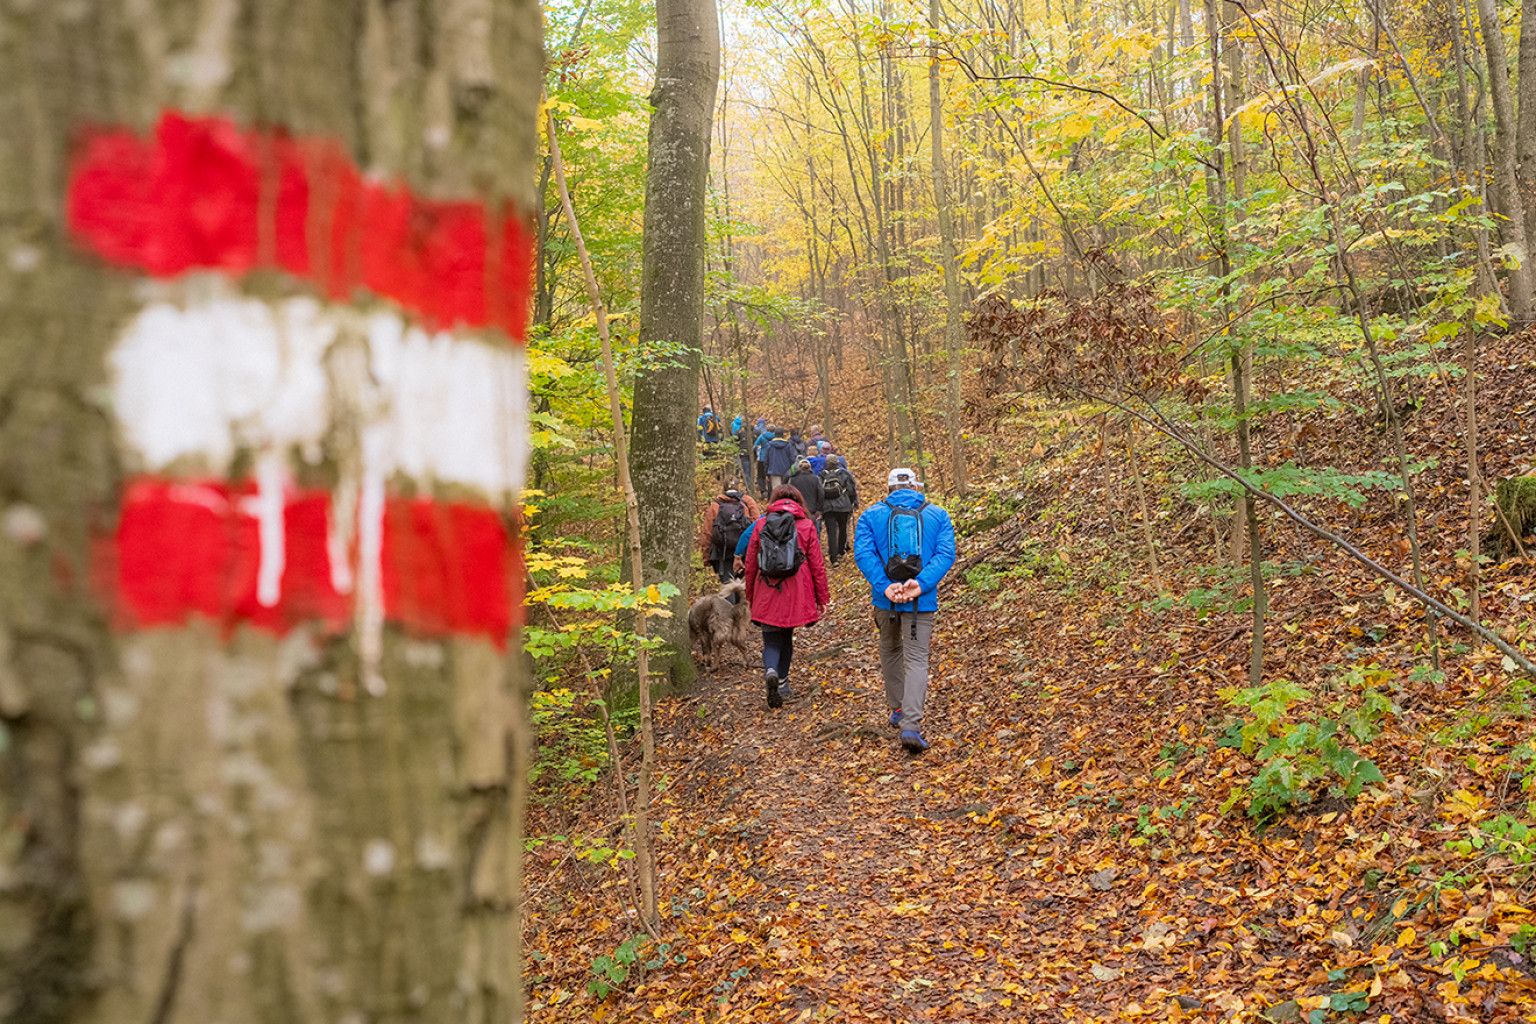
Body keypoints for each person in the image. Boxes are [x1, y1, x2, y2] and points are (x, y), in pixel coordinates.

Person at [853, 468, 957, 754]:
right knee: (917, 659)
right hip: (920, 601)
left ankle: (898, 709)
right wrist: (920, 585)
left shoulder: (870, 516)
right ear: (915, 486)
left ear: (889, 488)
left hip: (884, 600)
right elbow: (945, 554)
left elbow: (863, 553)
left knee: (890, 650)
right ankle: (911, 726)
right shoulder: (938, 515)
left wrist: (884, 586)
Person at [744, 485, 830, 709]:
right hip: (796, 590)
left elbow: (751, 562)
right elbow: (817, 565)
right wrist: (822, 598)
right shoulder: (806, 525)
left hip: (767, 588)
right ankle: (782, 683)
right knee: (787, 637)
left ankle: (771, 671)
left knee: (771, 639)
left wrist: (750, 594)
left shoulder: (761, 524)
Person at [699, 487, 759, 581]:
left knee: (728, 586)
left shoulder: (715, 505)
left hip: (722, 554)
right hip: (744, 553)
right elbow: (757, 526)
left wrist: (706, 557)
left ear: (724, 489)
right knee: (744, 585)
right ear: (738, 488)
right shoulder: (748, 501)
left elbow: (707, 532)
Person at [821, 456, 859, 566]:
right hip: (843, 506)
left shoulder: (822, 475)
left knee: (831, 532)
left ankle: (833, 558)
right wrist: (853, 502)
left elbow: (819, 491)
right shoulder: (845, 473)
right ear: (837, 463)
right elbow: (851, 490)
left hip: (828, 507)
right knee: (842, 528)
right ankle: (841, 550)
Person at [788, 458, 824, 540]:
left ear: (799, 468)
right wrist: (819, 510)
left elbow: (789, 495)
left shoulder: (793, 480)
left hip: (798, 511)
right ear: (810, 468)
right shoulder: (816, 479)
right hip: (812, 512)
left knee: (798, 535)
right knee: (814, 534)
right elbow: (821, 494)